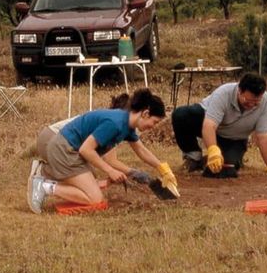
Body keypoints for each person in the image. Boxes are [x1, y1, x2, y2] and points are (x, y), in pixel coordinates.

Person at [28, 88, 177, 213]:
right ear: (145, 113)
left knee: (95, 187)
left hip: (70, 151)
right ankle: (44, 186)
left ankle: (45, 172)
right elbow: (86, 150)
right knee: (95, 200)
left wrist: (163, 168)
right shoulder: (116, 123)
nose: (153, 126)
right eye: (154, 122)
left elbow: (141, 151)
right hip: (65, 150)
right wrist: (110, 171)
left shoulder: (128, 125)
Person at [171, 73, 267, 178]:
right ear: (239, 91)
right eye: (247, 100)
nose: (251, 105)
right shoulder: (223, 93)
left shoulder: (265, 102)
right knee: (181, 115)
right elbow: (209, 126)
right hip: (209, 124)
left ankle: (208, 160)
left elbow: (264, 136)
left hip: (234, 139)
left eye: (256, 102)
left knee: (226, 168)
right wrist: (213, 149)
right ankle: (193, 158)